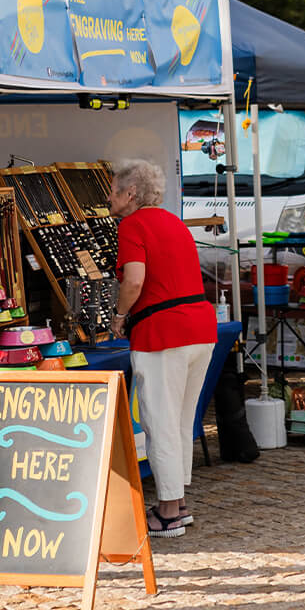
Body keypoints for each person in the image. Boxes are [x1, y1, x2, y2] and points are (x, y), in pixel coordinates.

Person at [110, 158, 219, 537]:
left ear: (131, 193)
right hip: (201, 328)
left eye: (114, 189)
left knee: (161, 423)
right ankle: (179, 502)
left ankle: (169, 511)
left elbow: (135, 281)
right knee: (181, 420)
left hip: (163, 333)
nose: (110, 197)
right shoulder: (174, 222)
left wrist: (120, 315)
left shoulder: (132, 225)